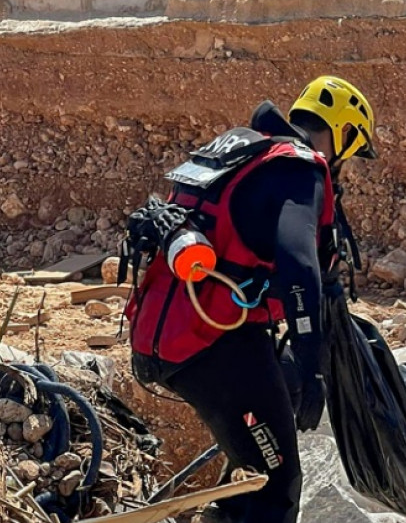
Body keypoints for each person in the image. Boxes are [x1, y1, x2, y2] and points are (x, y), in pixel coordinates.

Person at [123, 76, 377, 522]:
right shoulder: (299, 168)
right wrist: (313, 365)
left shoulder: (241, 151)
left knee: (256, 460)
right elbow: (300, 267)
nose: (343, 164)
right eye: (350, 152)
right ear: (345, 133)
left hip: (161, 332)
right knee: (276, 488)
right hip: (212, 344)